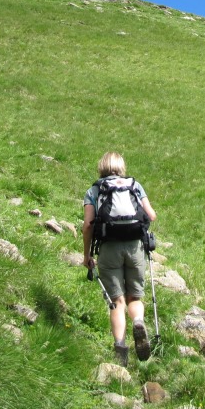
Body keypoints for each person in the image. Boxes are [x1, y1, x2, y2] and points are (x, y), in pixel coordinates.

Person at [83, 152, 158, 366]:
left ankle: (120, 349)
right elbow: (151, 215)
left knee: (117, 301)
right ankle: (138, 322)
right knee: (135, 298)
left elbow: (87, 225)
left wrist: (87, 255)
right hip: (135, 248)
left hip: (109, 249)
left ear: (101, 167)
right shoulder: (135, 185)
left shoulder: (94, 190)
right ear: (121, 167)